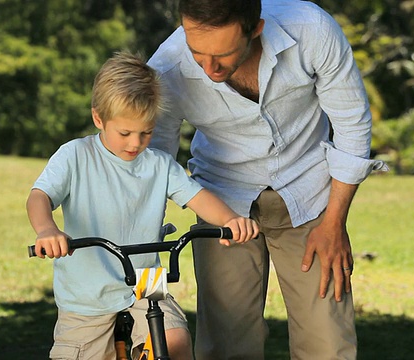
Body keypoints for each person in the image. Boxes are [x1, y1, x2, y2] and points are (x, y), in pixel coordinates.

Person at [147, 0, 389, 358]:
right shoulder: (167, 69)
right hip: (222, 202)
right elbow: (152, 166)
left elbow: (353, 125)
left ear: (255, 29)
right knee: (226, 343)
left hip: (310, 194)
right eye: (197, 52)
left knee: (328, 342)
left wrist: (335, 223)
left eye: (224, 55)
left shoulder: (312, 30)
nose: (209, 68)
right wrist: (142, 253)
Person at [26, 51, 259, 360]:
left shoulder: (159, 164)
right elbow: (39, 196)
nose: (135, 143)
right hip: (87, 290)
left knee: (173, 343)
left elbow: (197, 197)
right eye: (125, 133)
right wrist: (47, 230)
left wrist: (230, 219)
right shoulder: (75, 156)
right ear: (99, 118)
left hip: (147, 279)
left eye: (146, 132)